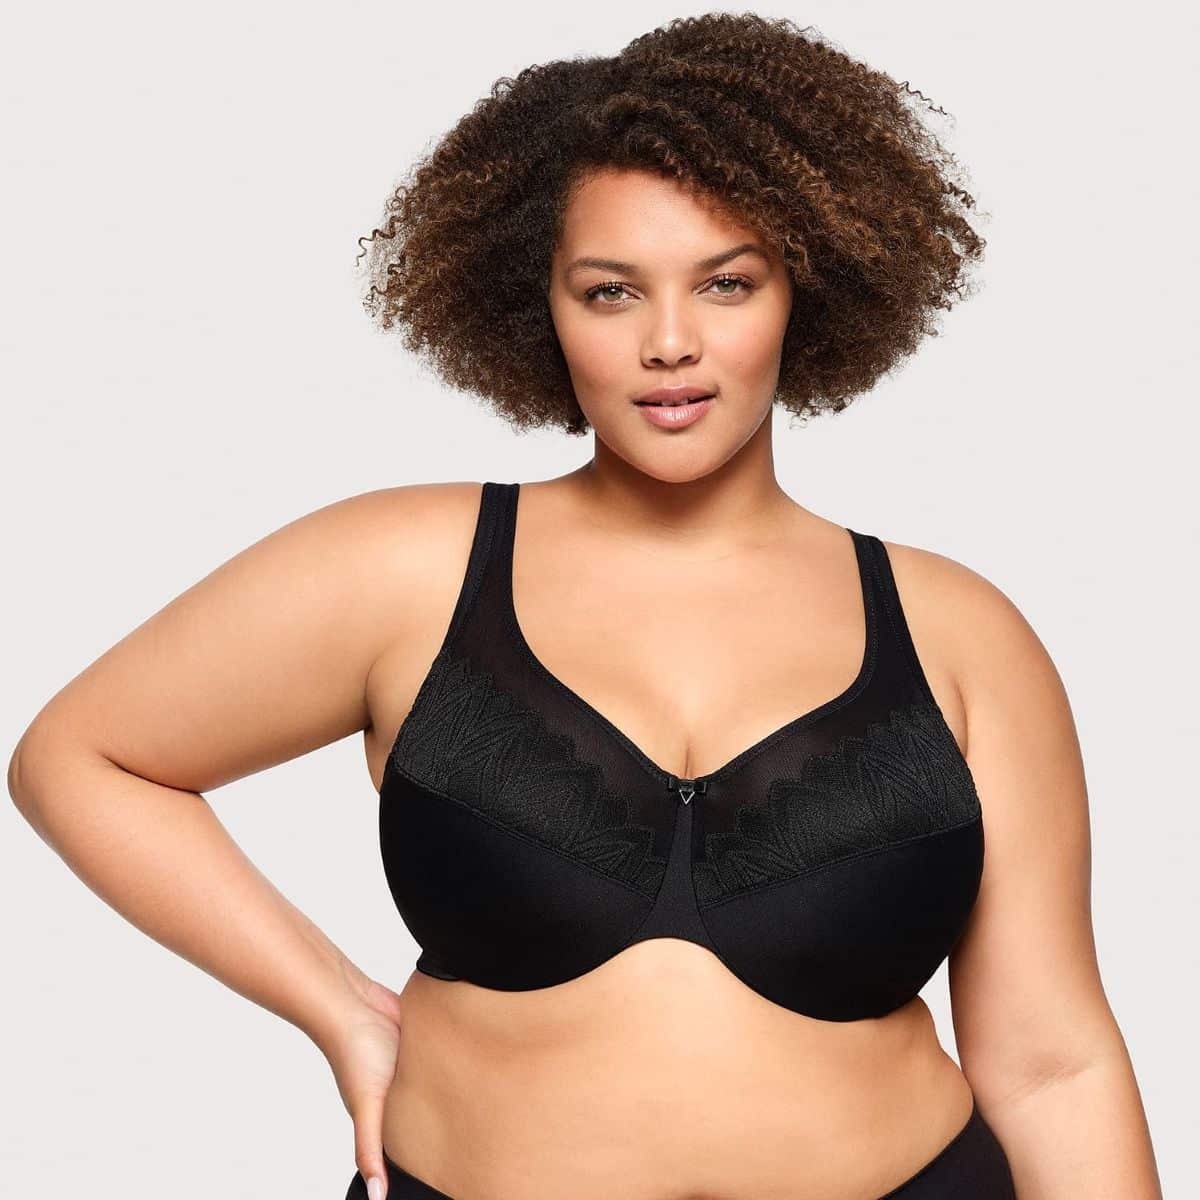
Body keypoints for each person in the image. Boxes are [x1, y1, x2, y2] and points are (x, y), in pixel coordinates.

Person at [8, 12, 1162, 1200]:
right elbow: (81, 757)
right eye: (611, 293)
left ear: (804, 290)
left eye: (726, 284)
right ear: (539, 309)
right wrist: (337, 1007)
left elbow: (1053, 1065)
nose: (670, 343)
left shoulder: (960, 634)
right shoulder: (405, 571)